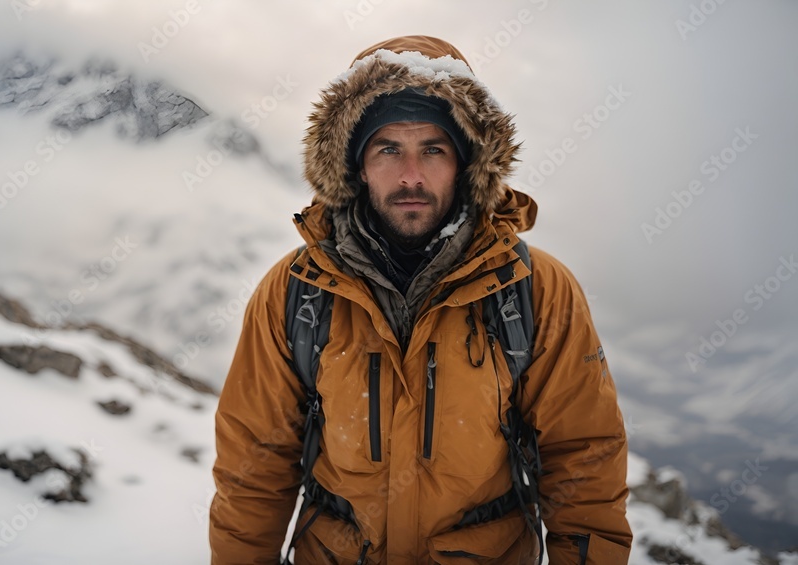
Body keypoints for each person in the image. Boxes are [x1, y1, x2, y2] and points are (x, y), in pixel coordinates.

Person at [210, 35, 632, 564]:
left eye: (433, 149)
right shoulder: (296, 292)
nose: (411, 175)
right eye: (388, 149)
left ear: (467, 163)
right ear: (355, 165)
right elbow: (254, 470)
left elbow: (583, 465)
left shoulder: (535, 290)